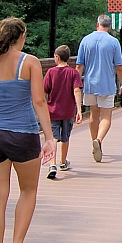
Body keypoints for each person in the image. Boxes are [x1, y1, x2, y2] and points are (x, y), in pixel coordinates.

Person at [0, 17, 56, 243]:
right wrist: (50, 137)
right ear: (20, 37)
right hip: (22, 134)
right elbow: (38, 101)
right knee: (28, 190)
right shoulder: (30, 62)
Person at [75, 14, 122, 163]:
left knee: (93, 115)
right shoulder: (113, 42)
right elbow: (119, 66)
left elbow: (79, 65)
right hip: (107, 84)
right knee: (106, 117)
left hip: (90, 83)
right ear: (109, 26)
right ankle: (98, 140)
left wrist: (75, 84)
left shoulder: (85, 40)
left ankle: (94, 143)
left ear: (97, 24)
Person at [43, 45, 83, 180]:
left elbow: (44, 91)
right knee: (65, 137)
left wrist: (41, 108)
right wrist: (79, 109)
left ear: (57, 57)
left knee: (53, 137)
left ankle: (52, 164)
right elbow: (76, 90)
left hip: (52, 111)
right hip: (67, 111)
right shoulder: (73, 73)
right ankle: (63, 161)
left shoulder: (50, 72)